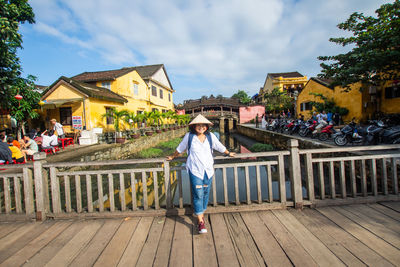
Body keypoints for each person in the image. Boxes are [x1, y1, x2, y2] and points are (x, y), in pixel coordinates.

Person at [166, 114, 235, 234]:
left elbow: (219, 146)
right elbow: (180, 148)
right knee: (198, 194)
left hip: (208, 170)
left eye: (203, 125)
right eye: (199, 125)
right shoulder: (189, 137)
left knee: (205, 192)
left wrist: (228, 153)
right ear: (194, 126)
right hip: (195, 170)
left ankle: (201, 212)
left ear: (207, 127)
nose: (201, 127)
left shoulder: (210, 136)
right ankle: (200, 221)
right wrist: (172, 156)